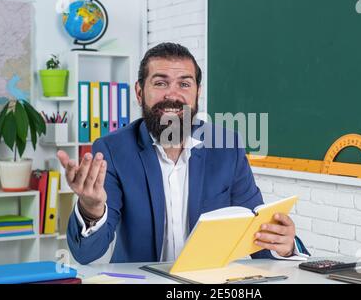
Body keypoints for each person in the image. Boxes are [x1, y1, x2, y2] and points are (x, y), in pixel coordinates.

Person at [57, 42, 310, 264]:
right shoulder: (113, 150)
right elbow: (86, 254)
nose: (173, 95)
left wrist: (285, 247)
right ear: (139, 92)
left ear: (198, 92)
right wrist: (91, 209)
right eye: (160, 82)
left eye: (184, 84)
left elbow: (257, 235)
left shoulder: (226, 147)